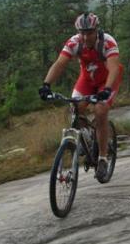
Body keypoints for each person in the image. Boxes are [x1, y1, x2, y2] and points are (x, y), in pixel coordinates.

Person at [39, 12, 123, 183]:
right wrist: (46, 84)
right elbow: (60, 63)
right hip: (87, 80)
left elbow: (114, 68)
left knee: (100, 111)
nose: (85, 37)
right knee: (75, 107)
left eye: (89, 32)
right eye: (81, 33)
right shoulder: (75, 42)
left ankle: (102, 158)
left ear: (96, 30)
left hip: (107, 81)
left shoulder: (107, 42)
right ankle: (88, 136)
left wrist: (106, 89)